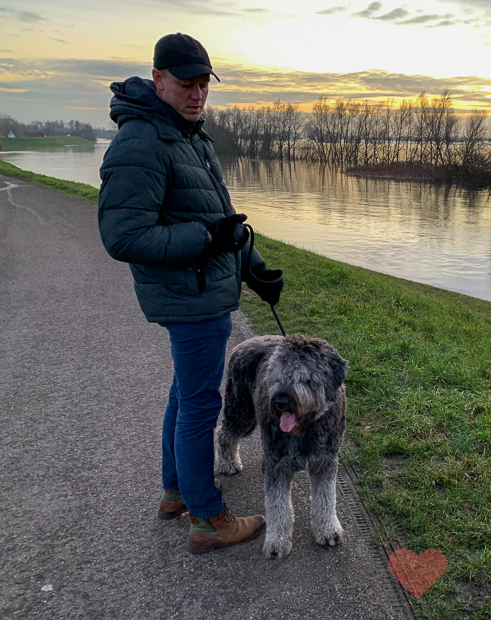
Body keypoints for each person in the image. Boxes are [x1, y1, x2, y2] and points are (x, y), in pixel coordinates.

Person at [97, 33, 283, 554]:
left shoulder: (188, 135)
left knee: (186, 393)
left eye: (204, 84)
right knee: (201, 403)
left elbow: (221, 221)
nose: (198, 94)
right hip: (189, 296)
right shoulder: (142, 142)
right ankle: (208, 517)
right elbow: (123, 236)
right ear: (158, 79)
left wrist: (254, 269)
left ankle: (177, 491)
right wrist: (205, 239)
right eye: (186, 84)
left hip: (203, 289)